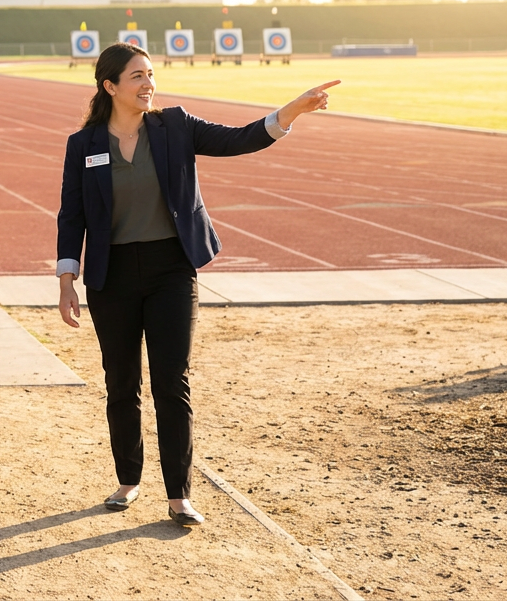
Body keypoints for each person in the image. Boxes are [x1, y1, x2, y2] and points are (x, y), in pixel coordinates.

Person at [56, 42, 336, 526]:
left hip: (171, 269)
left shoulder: (175, 127)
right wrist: (66, 278)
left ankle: (179, 495)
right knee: (121, 382)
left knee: (171, 380)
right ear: (110, 86)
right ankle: (128, 480)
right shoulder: (84, 145)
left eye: (150, 74)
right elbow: (71, 213)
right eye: (137, 77)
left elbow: (241, 138)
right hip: (112, 277)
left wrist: (293, 109)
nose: (148, 84)